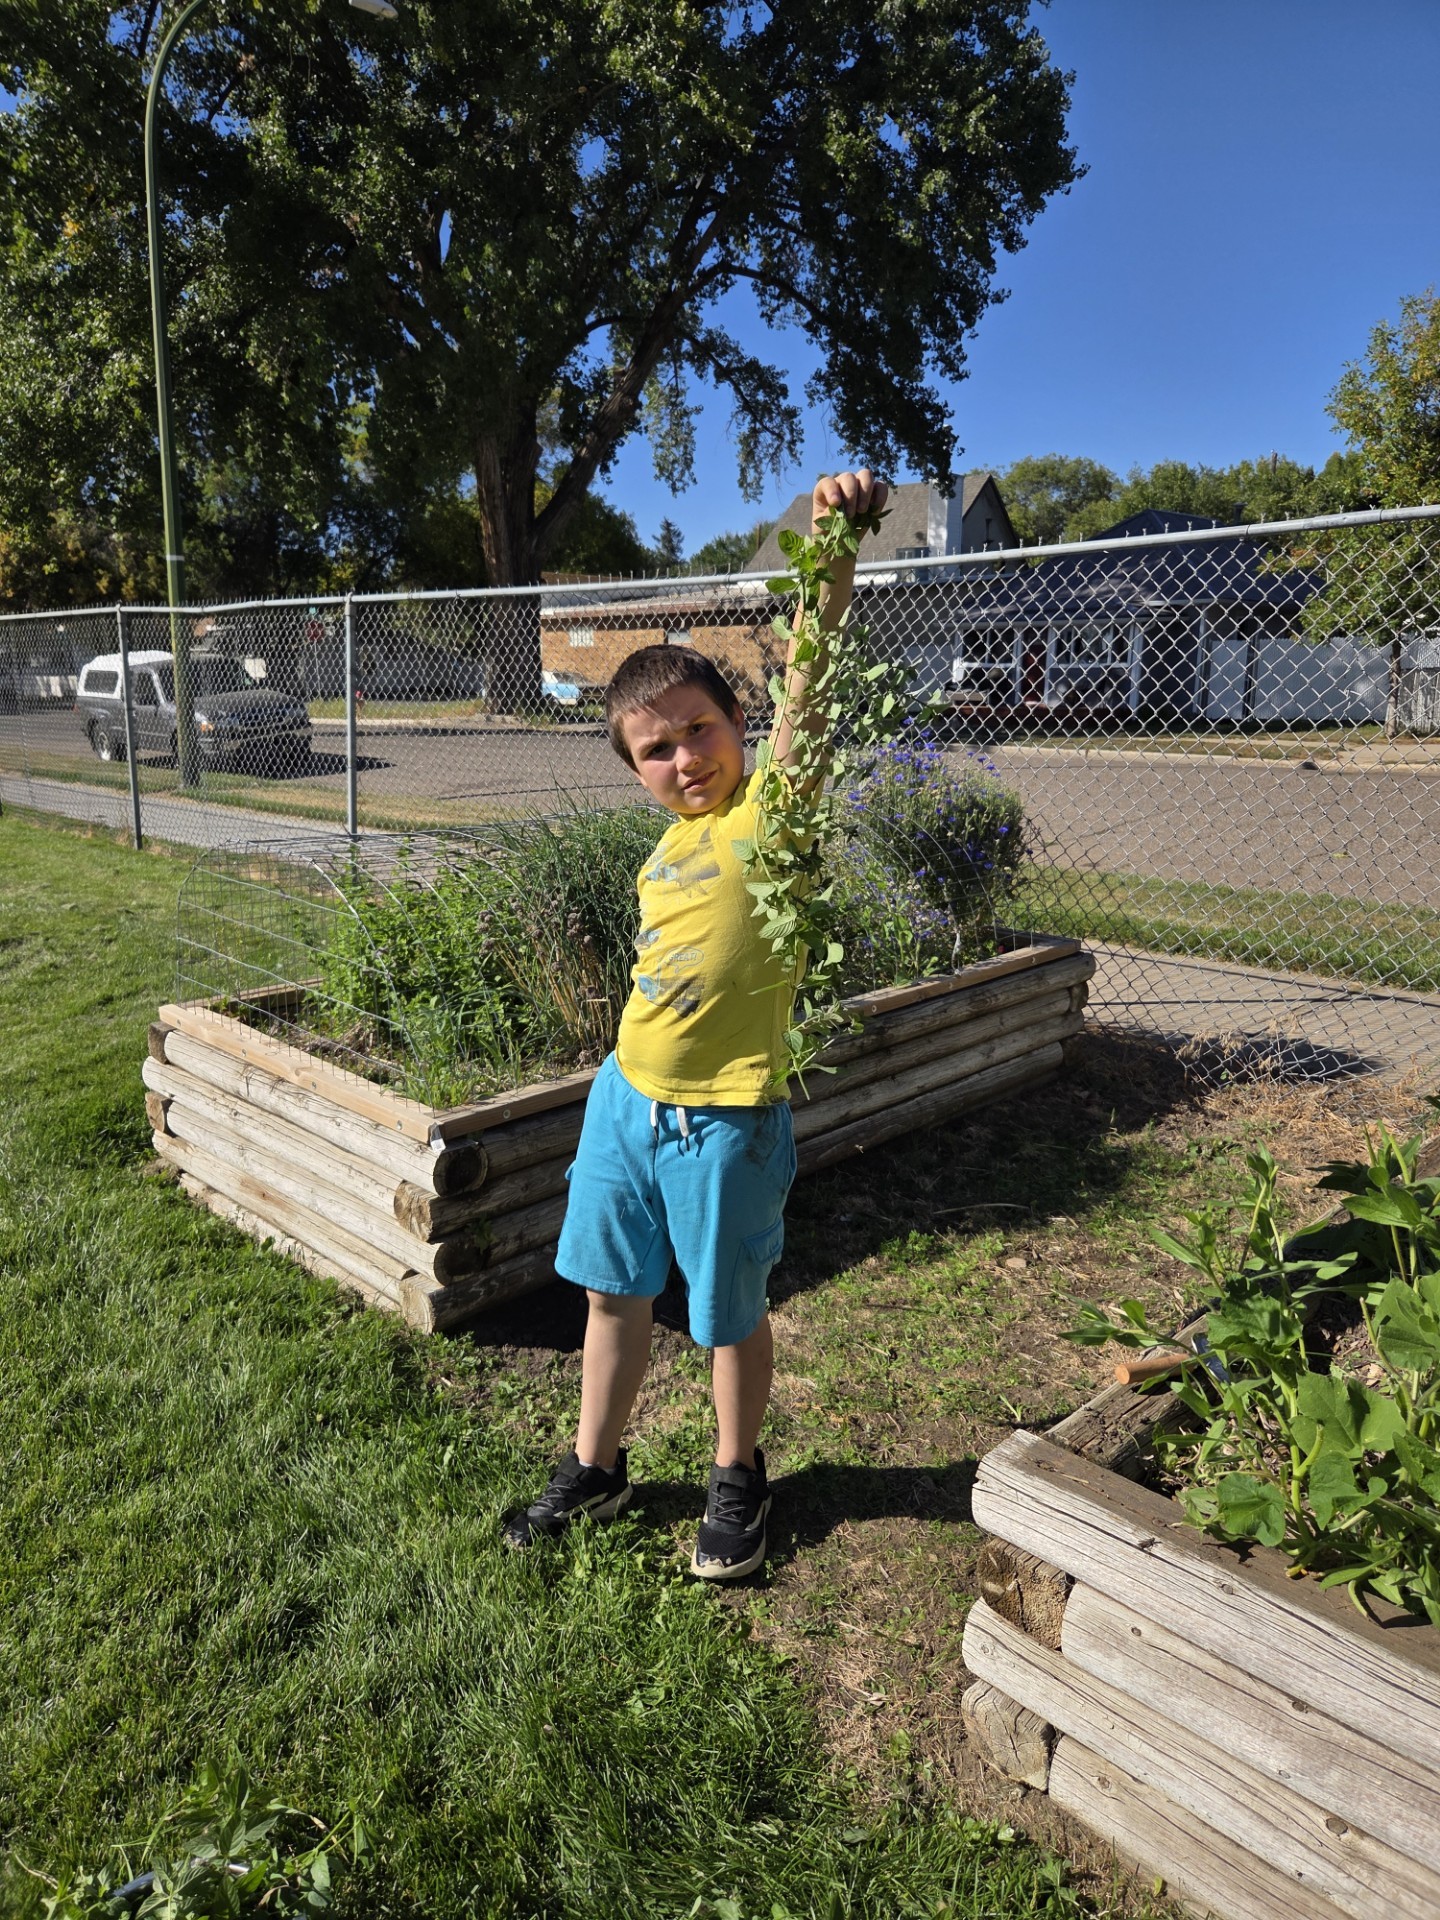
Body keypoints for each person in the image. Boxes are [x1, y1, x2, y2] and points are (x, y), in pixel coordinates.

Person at [503, 468, 888, 1579]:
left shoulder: (776, 812)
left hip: (725, 1122)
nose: (686, 759)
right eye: (656, 750)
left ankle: (737, 1474)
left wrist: (832, 550)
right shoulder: (668, 845)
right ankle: (598, 1466)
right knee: (612, 1294)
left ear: (740, 727)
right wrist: (624, 1082)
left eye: (700, 729)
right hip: (627, 1104)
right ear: (635, 771)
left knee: (724, 1313)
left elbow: (812, 686)